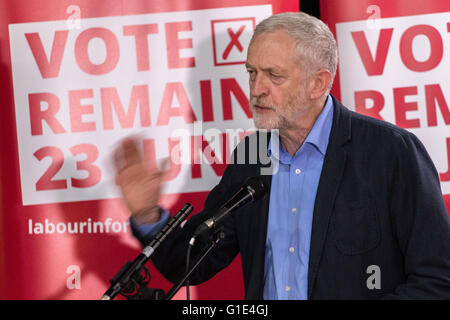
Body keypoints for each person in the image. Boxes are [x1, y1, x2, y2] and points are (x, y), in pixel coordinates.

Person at [114, 12, 450, 299]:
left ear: (318, 83)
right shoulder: (251, 157)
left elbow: (438, 279)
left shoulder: (390, 153)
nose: (256, 89)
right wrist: (147, 214)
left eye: (274, 75)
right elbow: (191, 262)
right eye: (252, 73)